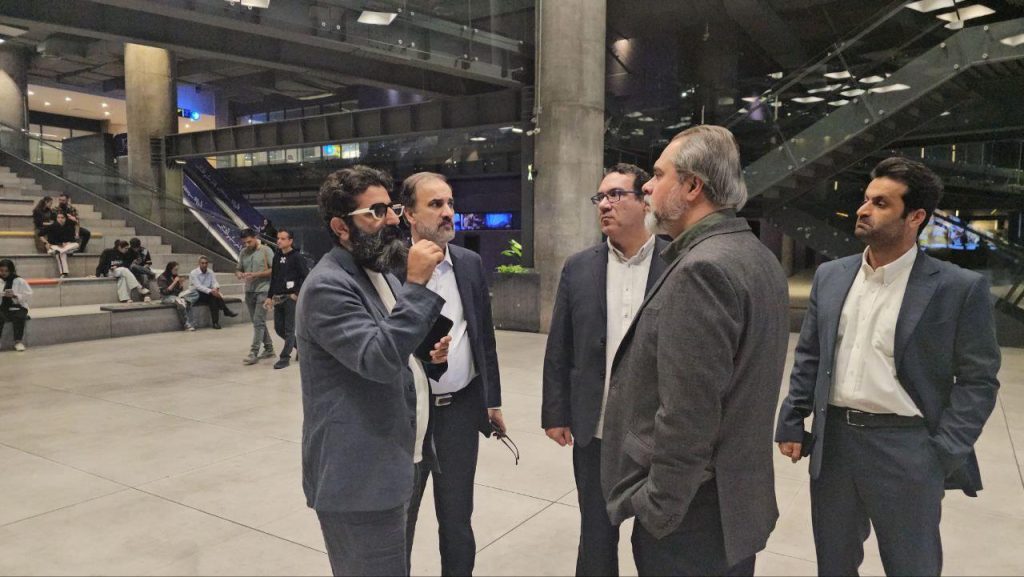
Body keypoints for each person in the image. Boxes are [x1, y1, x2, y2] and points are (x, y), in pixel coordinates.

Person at [775, 157, 1001, 577]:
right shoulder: (832, 276)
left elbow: (979, 380)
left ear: (915, 217)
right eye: (866, 199)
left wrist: (943, 452)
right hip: (834, 445)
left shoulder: (957, 288)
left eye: (880, 203)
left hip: (906, 447)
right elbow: (811, 355)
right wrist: (792, 417)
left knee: (912, 566)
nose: (863, 209)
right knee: (833, 565)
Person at [601, 126, 789, 577]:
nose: (647, 186)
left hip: (691, 518)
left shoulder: (702, 269)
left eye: (658, 174)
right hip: (733, 504)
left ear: (691, 186)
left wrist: (659, 508)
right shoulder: (756, 256)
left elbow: (688, 414)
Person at [298, 165, 452, 577]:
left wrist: (425, 356)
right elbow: (378, 359)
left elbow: (393, 346)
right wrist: (417, 286)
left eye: (391, 208)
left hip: (400, 462)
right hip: (360, 479)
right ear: (340, 227)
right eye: (375, 212)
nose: (391, 221)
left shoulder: (380, 272)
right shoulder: (327, 286)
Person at [541, 163, 669, 577]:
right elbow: (560, 345)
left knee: (657, 540)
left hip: (656, 433)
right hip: (594, 429)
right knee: (596, 536)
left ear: (645, 200)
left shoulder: (678, 260)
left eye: (616, 195)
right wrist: (556, 412)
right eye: (600, 197)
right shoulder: (579, 267)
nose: (604, 205)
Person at [400, 172, 505, 576]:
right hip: (408, 417)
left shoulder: (469, 263)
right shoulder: (390, 267)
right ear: (409, 214)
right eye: (435, 205)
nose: (448, 213)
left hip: (459, 412)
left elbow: (483, 337)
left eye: (450, 203)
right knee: (401, 523)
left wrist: (491, 400)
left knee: (458, 520)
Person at [263, 229, 309, 369]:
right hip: (278, 297)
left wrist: (297, 293)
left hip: (290, 298)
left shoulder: (297, 257)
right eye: (278, 238)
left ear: (290, 241)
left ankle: (285, 357)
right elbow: (274, 278)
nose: (279, 241)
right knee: (279, 328)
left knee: (289, 329)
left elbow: (305, 276)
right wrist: (269, 296)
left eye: (283, 239)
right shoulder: (277, 257)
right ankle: (300, 347)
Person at [237, 228, 276, 365]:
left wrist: (256, 274)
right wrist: (240, 274)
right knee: (257, 322)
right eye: (244, 243)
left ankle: (253, 352)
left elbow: (274, 270)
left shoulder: (266, 250)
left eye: (249, 242)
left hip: (264, 290)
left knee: (258, 321)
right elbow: (238, 269)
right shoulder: (243, 252)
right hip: (249, 291)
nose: (247, 245)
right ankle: (269, 348)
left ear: (255, 237)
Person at [190, 255, 238, 330]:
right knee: (213, 296)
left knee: (213, 299)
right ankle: (225, 311)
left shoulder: (210, 272)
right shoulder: (193, 273)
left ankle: (216, 322)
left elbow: (214, 282)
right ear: (199, 264)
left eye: (206, 263)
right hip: (196, 294)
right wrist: (211, 291)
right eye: (202, 263)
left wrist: (216, 288)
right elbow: (198, 286)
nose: (204, 265)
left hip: (209, 293)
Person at [0, 259, 32, 352]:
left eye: (6, 271)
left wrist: (15, 295)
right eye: (1, 270)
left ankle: (18, 342)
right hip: (2, 307)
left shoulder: (19, 281)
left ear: (11, 270)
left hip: (18, 306)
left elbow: (28, 294)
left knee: (19, 317)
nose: (3, 273)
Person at [39, 212, 80, 278]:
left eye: (62, 218)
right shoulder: (52, 226)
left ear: (65, 219)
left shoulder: (69, 226)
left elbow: (76, 226)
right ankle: (64, 273)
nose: (60, 219)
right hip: (55, 245)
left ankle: (55, 251)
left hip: (65, 246)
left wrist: (66, 243)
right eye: (58, 218)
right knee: (61, 253)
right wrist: (46, 243)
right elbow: (40, 235)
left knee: (76, 245)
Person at [157, 261, 196, 332]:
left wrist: (180, 284)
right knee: (180, 302)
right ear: (170, 269)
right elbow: (165, 292)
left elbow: (178, 291)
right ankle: (186, 324)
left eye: (177, 270)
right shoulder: (162, 277)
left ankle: (191, 322)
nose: (176, 271)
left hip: (175, 296)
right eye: (175, 270)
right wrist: (174, 282)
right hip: (166, 297)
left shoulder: (175, 276)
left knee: (189, 300)